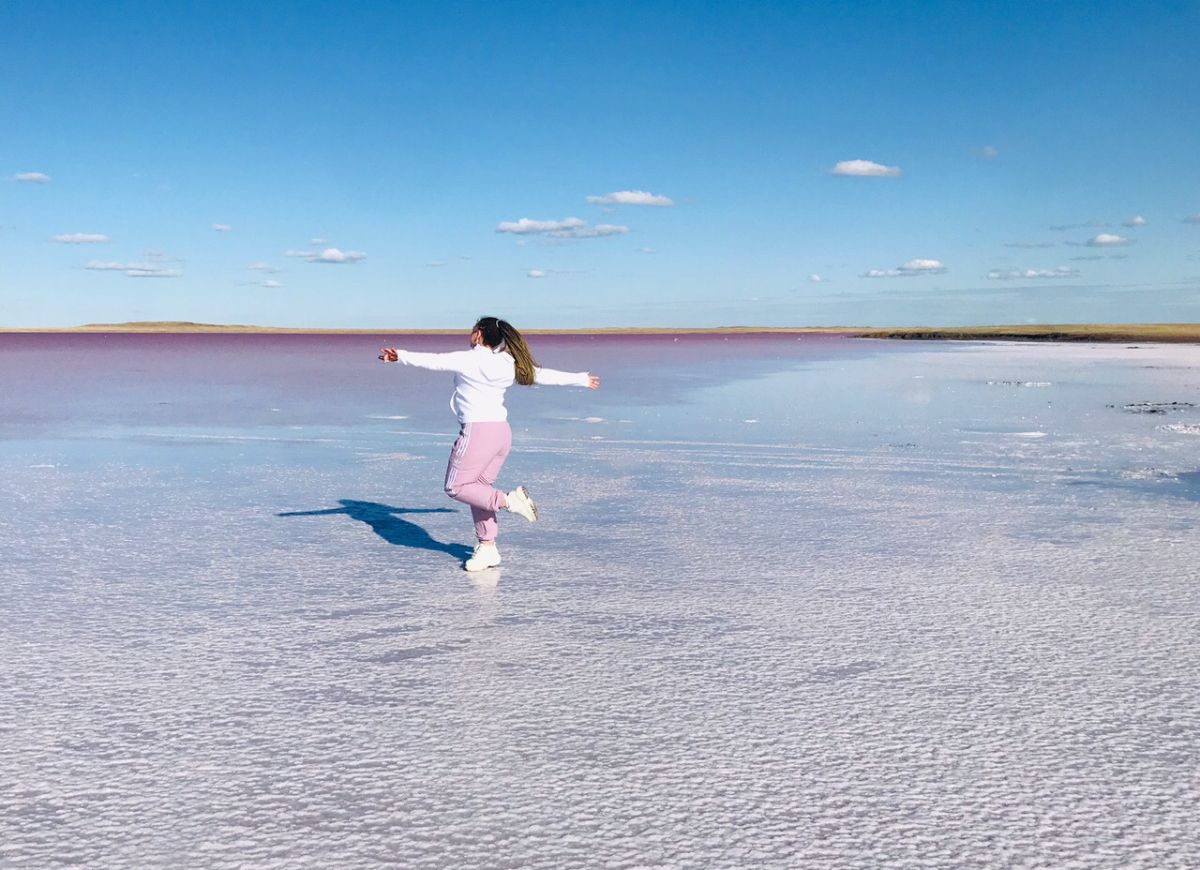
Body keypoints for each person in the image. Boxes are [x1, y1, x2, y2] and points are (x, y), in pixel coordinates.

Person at [379, 316, 600, 571]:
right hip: (501, 434)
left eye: (472, 330)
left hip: (478, 433)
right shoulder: (507, 362)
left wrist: (401, 356)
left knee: (456, 486)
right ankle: (488, 548)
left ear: (479, 334)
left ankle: (511, 501)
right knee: (479, 490)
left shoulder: (469, 359)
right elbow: (541, 375)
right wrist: (581, 379)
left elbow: (435, 361)